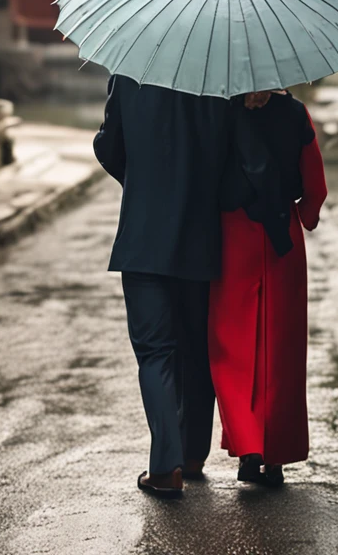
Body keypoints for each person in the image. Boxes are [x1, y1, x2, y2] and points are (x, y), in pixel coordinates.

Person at [93, 74, 232, 499]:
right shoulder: (220, 75)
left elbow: (108, 147)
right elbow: (230, 155)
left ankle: (165, 466)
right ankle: (193, 455)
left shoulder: (131, 71)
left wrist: (142, 185)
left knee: (156, 352)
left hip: (144, 233)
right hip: (202, 233)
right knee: (196, 346)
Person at [209, 88, 327, 487]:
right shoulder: (295, 113)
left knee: (232, 345)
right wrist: (304, 215)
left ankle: (248, 449)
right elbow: (316, 187)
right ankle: (274, 456)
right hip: (282, 240)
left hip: (232, 238)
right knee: (281, 349)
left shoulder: (220, 113)